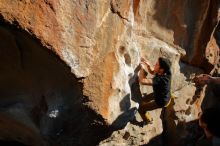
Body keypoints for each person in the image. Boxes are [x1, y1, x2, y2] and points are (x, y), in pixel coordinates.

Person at [136, 57, 172, 125]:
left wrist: (142, 69)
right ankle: (146, 107)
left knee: (140, 109)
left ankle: (147, 120)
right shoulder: (166, 71)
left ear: (161, 69)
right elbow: (153, 71)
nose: (154, 65)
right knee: (143, 99)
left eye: (156, 64)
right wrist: (148, 66)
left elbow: (142, 81)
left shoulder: (161, 80)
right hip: (162, 94)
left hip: (161, 101)